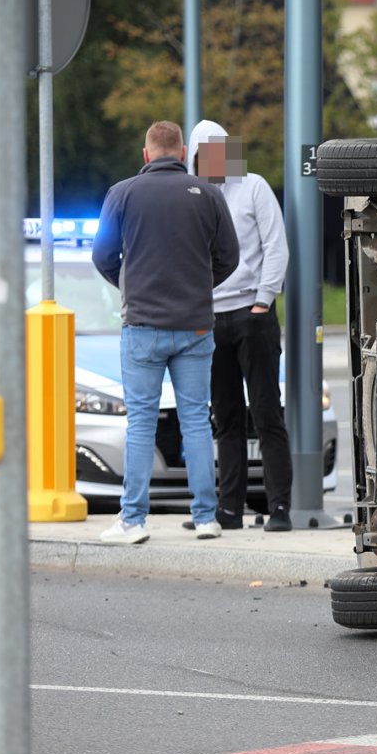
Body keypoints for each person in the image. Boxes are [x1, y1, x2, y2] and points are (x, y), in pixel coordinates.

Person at [92, 120, 239, 544]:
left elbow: (102, 254)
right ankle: (207, 517)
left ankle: (133, 522)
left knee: (141, 423)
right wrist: (197, 287)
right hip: (195, 325)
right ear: (181, 153)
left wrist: (130, 283)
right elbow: (230, 256)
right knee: (196, 420)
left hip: (142, 327)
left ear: (146, 154)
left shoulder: (122, 194)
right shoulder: (207, 194)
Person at [184, 119, 294, 532]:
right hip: (210, 320)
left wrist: (263, 302)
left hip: (252, 314)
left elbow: (274, 245)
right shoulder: (192, 195)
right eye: (202, 155)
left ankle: (279, 507)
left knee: (266, 412)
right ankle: (228, 509)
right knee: (225, 418)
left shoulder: (254, 186)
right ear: (194, 157)